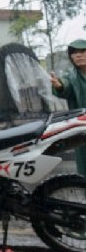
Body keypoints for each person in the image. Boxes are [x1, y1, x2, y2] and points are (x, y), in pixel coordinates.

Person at [50, 38, 86, 175]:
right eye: (74, 52)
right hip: (82, 126)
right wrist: (59, 85)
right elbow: (66, 86)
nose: (78, 55)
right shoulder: (71, 75)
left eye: (83, 51)